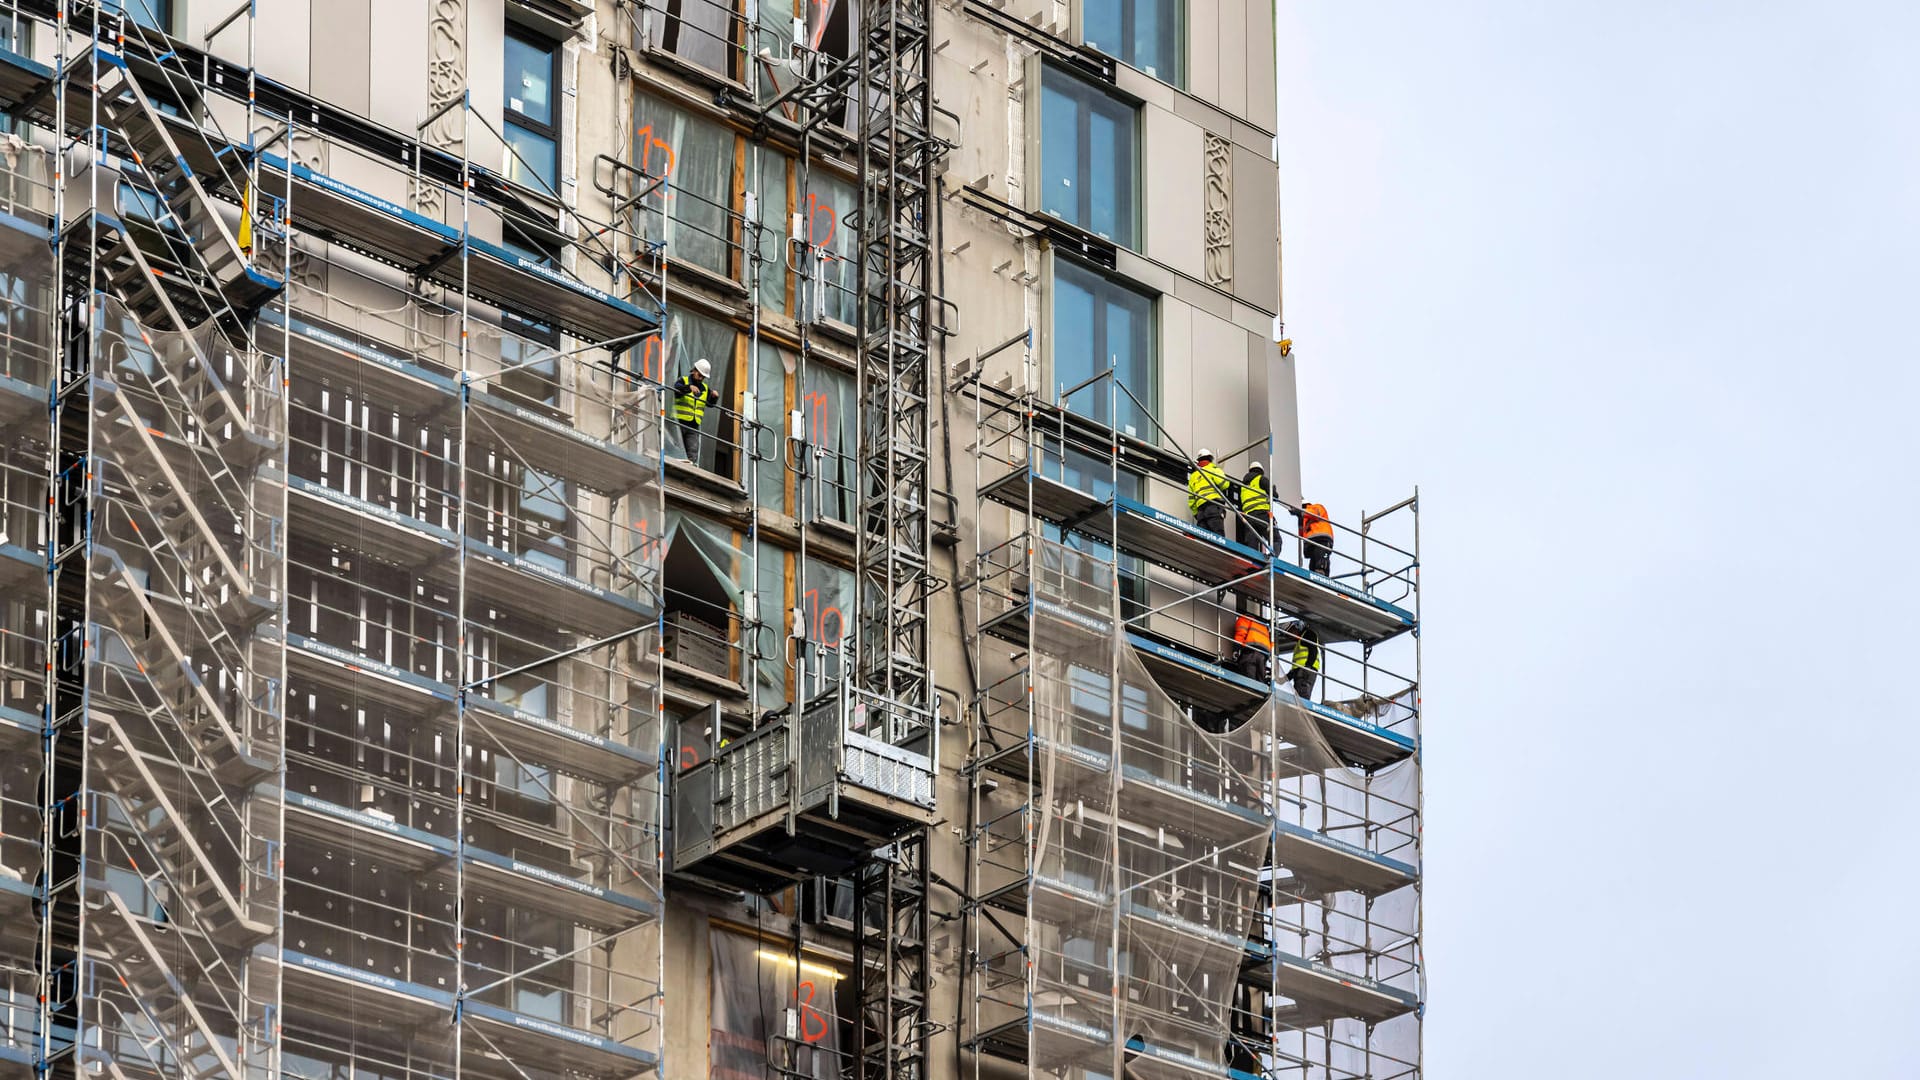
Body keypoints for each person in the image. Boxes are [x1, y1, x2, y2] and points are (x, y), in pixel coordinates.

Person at [671, 358, 717, 465]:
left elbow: (710, 404)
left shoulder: (705, 388)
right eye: (699, 375)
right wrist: (688, 388)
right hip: (679, 422)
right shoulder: (684, 380)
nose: (701, 378)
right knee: (676, 448)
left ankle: (689, 469)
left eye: (703, 377)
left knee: (692, 453)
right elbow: (676, 389)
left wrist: (714, 397)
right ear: (694, 371)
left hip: (693, 425)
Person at [1187, 448, 1231, 536]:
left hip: (1200, 511)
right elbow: (1225, 484)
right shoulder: (1213, 469)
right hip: (1213, 506)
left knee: (1203, 538)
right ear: (1210, 459)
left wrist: (1196, 513)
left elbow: (1191, 500)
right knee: (1218, 536)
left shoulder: (1194, 476)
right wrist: (1220, 471)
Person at [1282, 620, 1322, 701]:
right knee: (1299, 696)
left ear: (1295, 628)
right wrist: (1284, 679)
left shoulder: (1308, 634)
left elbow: (1313, 650)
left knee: (1301, 698)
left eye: (1289, 633)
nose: (1289, 637)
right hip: (1302, 671)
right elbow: (1296, 667)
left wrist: (1308, 667)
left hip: (1305, 671)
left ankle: (1302, 711)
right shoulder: (1301, 640)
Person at [1239, 461, 1273, 553]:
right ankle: (1273, 557)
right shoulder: (1261, 479)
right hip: (1262, 514)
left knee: (1252, 541)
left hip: (1249, 516)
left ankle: (1252, 560)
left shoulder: (1244, 486)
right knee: (1275, 539)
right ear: (1261, 471)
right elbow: (1274, 495)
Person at [1294, 499, 1334, 576]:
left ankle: (1322, 574)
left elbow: (1316, 513)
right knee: (1313, 564)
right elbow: (1301, 534)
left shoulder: (1316, 507)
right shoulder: (1304, 518)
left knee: (1321, 558)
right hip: (1311, 541)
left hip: (1322, 537)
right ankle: (1315, 575)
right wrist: (1299, 519)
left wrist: (1301, 512)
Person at [1229, 614, 1272, 684]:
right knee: (1260, 681)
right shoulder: (1263, 625)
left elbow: (1240, 633)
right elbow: (1271, 642)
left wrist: (1236, 649)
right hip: (1263, 655)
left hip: (1251, 652)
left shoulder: (1244, 619)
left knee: (1249, 679)